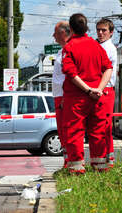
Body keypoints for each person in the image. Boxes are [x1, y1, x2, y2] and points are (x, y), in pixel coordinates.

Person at [61, 13, 113, 174]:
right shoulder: (96, 45)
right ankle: (101, 168)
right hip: (98, 98)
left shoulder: (69, 47)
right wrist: (99, 88)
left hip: (77, 99)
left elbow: (71, 73)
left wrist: (88, 90)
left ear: (70, 28)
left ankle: (77, 169)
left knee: (75, 132)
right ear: (87, 27)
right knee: (98, 132)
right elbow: (108, 68)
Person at [96, 18, 117, 168]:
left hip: (105, 90)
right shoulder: (100, 46)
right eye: (98, 30)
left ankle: (107, 161)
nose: (100, 33)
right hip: (102, 90)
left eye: (104, 30)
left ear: (111, 33)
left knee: (103, 126)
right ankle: (105, 160)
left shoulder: (108, 48)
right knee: (101, 126)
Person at [52, 21, 71, 168]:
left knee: (67, 130)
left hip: (64, 96)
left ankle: (70, 162)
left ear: (63, 33)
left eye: (56, 33)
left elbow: (69, 76)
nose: (53, 36)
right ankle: (67, 161)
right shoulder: (61, 51)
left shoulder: (69, 49)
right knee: (62, 131)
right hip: (59, 96)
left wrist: (65, 97)